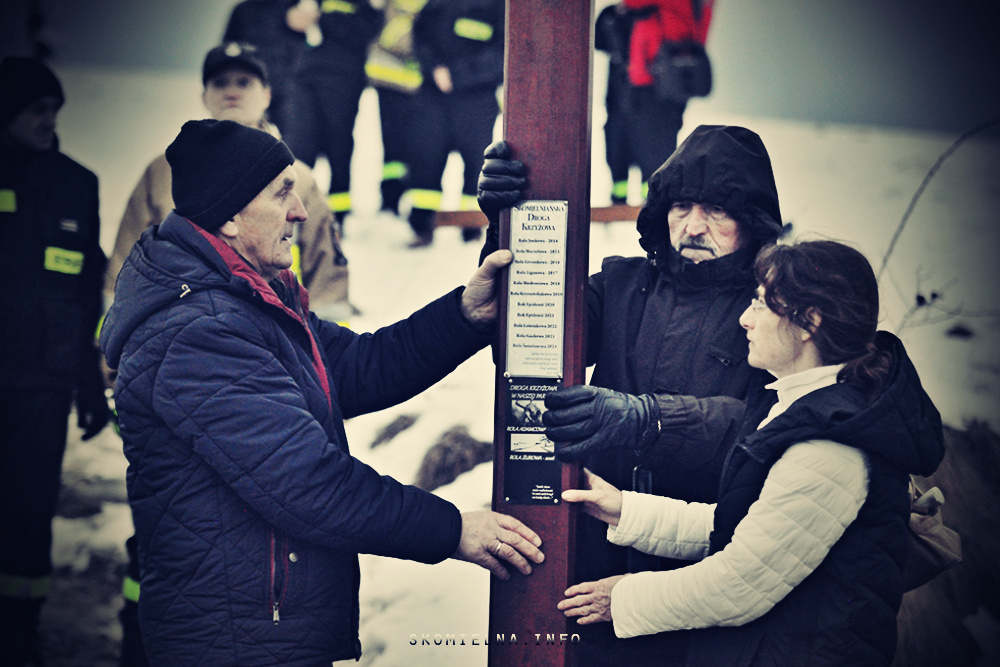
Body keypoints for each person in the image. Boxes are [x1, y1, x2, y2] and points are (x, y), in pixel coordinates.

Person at [98, 118, 544, 665]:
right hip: (236, 640)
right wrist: (453, 530)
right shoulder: (199, 332)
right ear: (230, 217)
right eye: (281, 193)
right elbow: (309, 483)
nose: (301, 211)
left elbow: (363, 366)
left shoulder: (248, 301)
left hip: (266, 626)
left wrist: (464, 316)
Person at [477, 125, 784, 665]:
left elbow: (770, 427)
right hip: (591, 570)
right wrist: (506, 225)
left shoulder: (772, 311)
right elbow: (529, 337)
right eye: (682, 206)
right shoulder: (619, 285)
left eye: (716, 210)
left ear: (752, 221)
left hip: (708, 584)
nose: (693, 226)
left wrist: (649, 419)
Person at [558, 240, 945, 666]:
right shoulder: (801, 408)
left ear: (808, 322)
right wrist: (623, 509)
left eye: (761, 304)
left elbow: (739, 584)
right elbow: (742, 525)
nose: (745, 318)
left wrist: (621, 599)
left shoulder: (830, 444)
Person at [105, 41, 353, 324]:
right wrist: (113, 345)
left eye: (244, 82)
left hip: (278, 339)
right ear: (205, 96)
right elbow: (124, 264)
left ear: (267, 95)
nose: (232, 92)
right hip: (179, 336)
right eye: (220, 83)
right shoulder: (162, 173)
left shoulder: (301, 180)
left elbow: (328, 283)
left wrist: (322, 349)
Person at [0, 56, 110, 666]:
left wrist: (88, 383)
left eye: (54, 110)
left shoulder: (76, 184)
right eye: (36, 110)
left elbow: (87, 291)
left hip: (42, 388)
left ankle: (19, 636)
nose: (49, 120)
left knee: (27, 517)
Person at [403, 0, 504, 247]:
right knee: (426, 158)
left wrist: (458, 74)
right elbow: (420, 34)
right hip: (433, 96)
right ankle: (422, 225)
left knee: (476, 164)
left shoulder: (498, 6)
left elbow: (503, 54)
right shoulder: (438, 3)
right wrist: (434, 68)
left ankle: (472, 227)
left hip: (477, 99)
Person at [284, 0, 383, 228]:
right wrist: (297, 15)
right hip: (306, 76)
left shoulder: (368, 6)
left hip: (344, 80)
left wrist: (323, 19)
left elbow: (363, 32)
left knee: (339, 146)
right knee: (300, 146)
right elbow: (288, 22)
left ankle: (338, 217)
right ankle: (292, 207)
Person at [613, 0, 714, 198]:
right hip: (675, 79)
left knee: (648, 144)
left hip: (651, 78)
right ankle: (654, 197)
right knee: (662, 143)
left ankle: (652, 200)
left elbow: (632, 3)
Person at [365, 0, 427, 216]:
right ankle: (391, 198)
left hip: (418, 84)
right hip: (392, 80)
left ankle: (401, 200)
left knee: (416, 148)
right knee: (394, 148)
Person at [223, 0, 309, 135]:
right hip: (252, 88)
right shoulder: (243, 10)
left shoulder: (297, 8)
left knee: (290, 138)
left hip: (289, 90)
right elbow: (228, 50)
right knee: (246, 135)